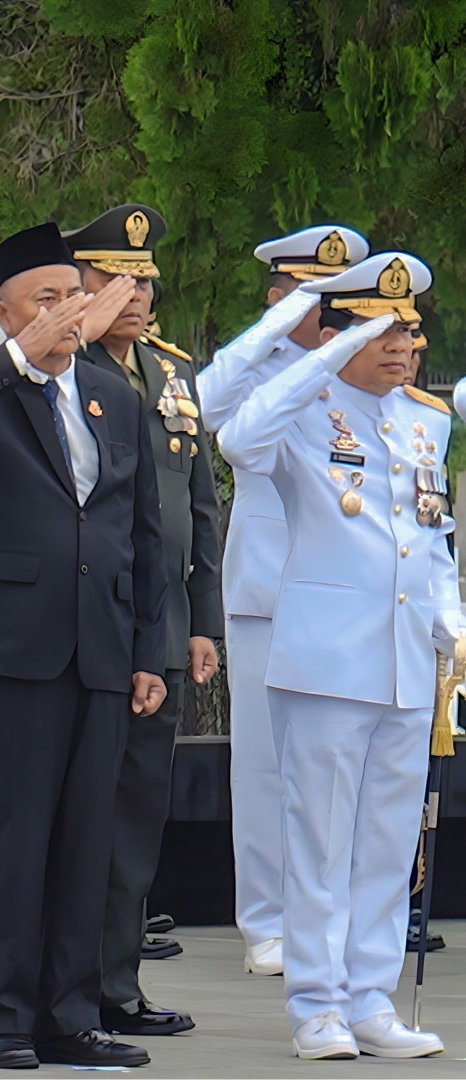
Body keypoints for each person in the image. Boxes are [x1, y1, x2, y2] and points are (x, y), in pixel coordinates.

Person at [0, 222, 167, 1071]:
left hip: (98, 648)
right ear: (5, 313)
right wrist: (17, 359)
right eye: (44, 301)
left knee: (87, 839)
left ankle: (72, 1014)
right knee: (11, 839)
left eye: (73, 297)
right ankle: (6, 1019)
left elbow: (140, 531)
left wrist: (148, 651)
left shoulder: (112, 395)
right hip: (7, 649)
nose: (64, 314)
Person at [219, 251, 455, 1060]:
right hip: (323, 661)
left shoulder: (426, 420)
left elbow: (434, 538)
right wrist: (313, 343)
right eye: (384, 333)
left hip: (403, 664)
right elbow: (236, 434)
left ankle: (371, 998)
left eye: (410, 334)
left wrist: (452, 627)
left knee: (388, 844)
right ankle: (316, 1004)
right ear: (341, 335)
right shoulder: (300, 410)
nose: (403, 349)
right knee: (319, 842)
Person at [64, 205, 223, 1036]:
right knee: (80, 817)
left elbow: (198, 513)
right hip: (85, 626)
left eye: (145, 280)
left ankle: (118, 987)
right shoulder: (62, 368)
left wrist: (203, 624)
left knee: (136, 819)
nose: (135, 295)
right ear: (81, 286)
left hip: (159, 631)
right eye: (116, 280)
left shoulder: (171, 375)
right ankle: (71, 988)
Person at [197, 224, 369, 976]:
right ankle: (267, 920)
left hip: (353, 594)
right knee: (267, 766)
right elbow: (204, 411)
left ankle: (343, 914)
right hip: (270, 584)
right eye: (310, 296)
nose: (326, 312)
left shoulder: (368, 369)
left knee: (350, 764)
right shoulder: (254, 367)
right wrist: (269, 335)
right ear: (278, 296)